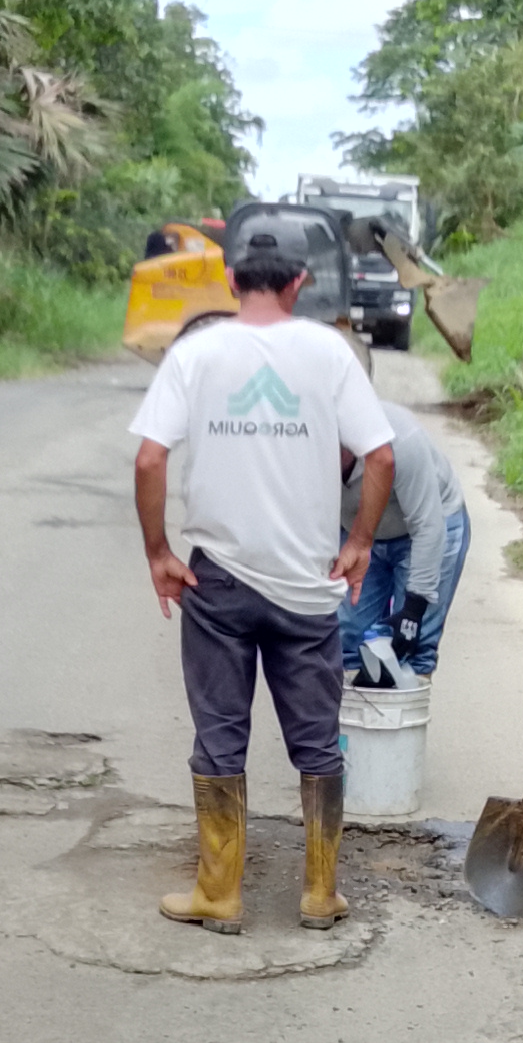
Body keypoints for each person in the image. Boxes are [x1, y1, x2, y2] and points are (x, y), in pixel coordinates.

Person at [133, 235, 395, 935]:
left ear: (230, 278)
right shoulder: (329, 352)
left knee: (220, 735)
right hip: (307, 583)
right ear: (299, 282)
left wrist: (158, 551)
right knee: (317, 742)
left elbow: (150, 459)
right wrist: (359, 543)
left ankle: (219, 894)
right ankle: (320, 894)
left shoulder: (196, 352)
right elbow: (381, 456)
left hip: (216, 579)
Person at [338, 405, 468, 681]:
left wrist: (413, 609)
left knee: (413, 644)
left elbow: (428, 526)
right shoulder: (302, 450)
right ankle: (355, 709)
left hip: (429, 523)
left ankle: (406, 705)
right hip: (356, 531)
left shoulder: (400, 441)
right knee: (347, 638)